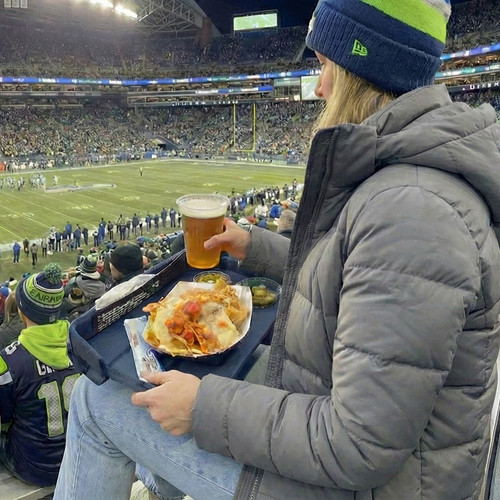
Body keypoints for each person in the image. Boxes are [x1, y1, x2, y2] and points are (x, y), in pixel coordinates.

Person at [54, 2, 500, 500]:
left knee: (98, 405)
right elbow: (359, 279)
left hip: (357, 483)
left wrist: (203, 409)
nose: (321, 87)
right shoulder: (408, 185)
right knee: (177, 381)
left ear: (363, 68)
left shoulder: (414, 210)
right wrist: (257, 247)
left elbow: (358, 445)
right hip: (339, 419)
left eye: (326, 67)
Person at [0, 264, 80, 486]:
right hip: (77, 457)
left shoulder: (8, 360)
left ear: (21, 310)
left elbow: (4, 420)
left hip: (34, 467)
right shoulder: (81, 346)